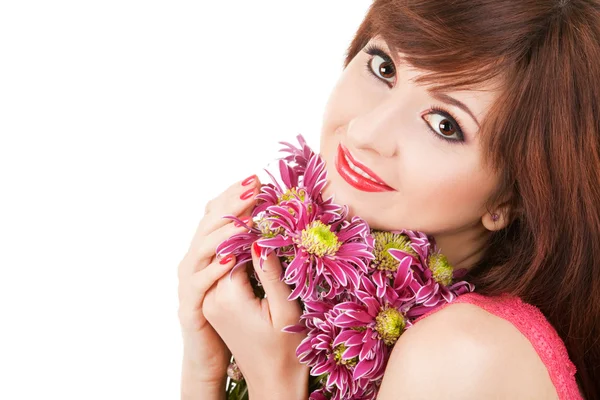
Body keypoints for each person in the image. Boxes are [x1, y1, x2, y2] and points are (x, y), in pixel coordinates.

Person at [178, 0, 600, 398]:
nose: (366, 132)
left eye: (444, 124)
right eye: (384, 68)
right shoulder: (401, 323)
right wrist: (206, 367)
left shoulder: (463, 353)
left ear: (513, 199)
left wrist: (273, 380)